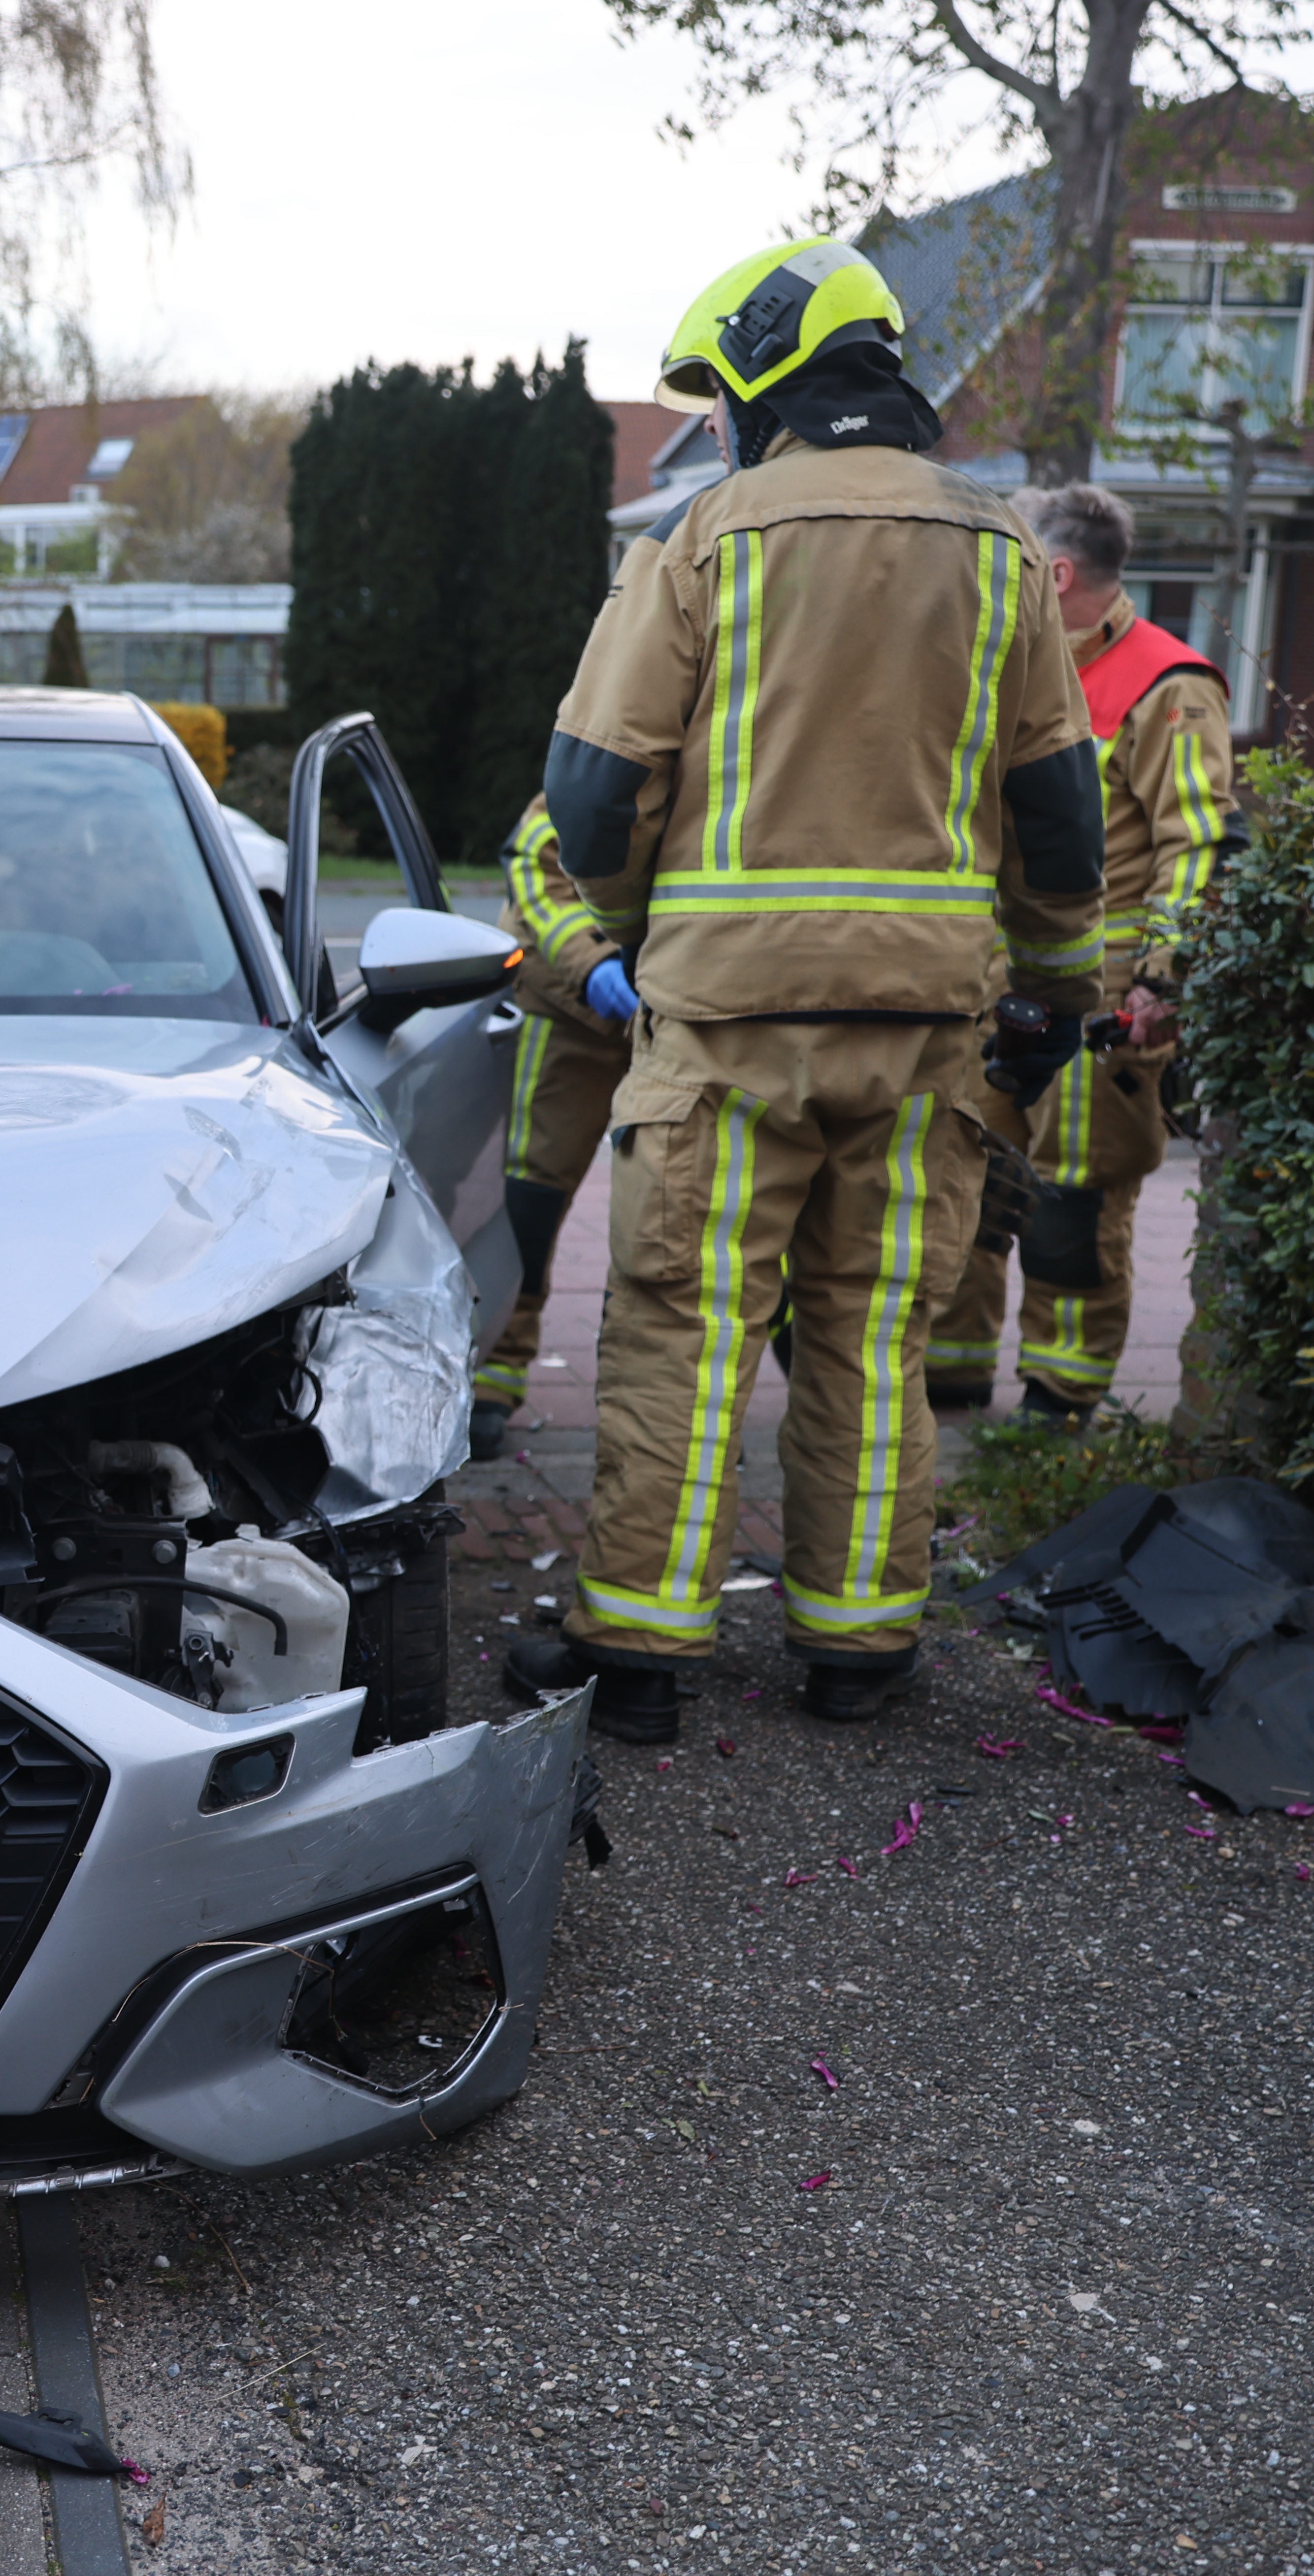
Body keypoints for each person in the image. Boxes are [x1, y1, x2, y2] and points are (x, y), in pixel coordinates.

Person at [539, 236, 1105, 1740]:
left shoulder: (705, 538)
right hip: (930, 1032)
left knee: (685, 1328)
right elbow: (1059, 819)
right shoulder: (1002, 550)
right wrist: (1049, 1001)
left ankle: (640, 1666)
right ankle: (860, 1654)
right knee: (870, 1336)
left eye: (722, 392)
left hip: (725, 1030)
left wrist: (638, 937)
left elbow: (590, 799)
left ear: (767, 385)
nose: (717, 419)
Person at [930, 482, 1239, 1423]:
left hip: (1105, 1004)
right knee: (968, 1182)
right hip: (993, 984)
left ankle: (1058, 1400)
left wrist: (1160, 980)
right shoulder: (1010, 669)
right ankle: (951, 1372)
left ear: (1054, 571)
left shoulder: (1168, 685)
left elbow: (1199, 843)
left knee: (1071, 1207)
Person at [467, 792, 636, 1459]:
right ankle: (491, 1373)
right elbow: (537, 875)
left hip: (687, 1007)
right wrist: (594, 963)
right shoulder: (619, 725)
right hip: (566, 1008)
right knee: (528, 1196)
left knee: (703, 1208)